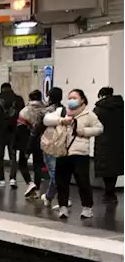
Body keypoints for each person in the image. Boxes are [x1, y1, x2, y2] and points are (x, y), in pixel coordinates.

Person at [44, 88, 103, 219]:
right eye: (69, 98)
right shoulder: (62, 111)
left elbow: (99, 129)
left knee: (82, 181)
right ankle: (63, 206)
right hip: (63, 151)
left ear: (82, 99)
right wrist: (61, 121)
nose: (71, 100)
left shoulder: (89, 115)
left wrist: (84, 131)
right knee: (61, 181)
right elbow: (46, 120)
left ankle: (87, 208)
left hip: (80, 153)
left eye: (74, 98)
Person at [93, 86, 125, 204]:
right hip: (119, 142)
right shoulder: (122, 107)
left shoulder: (99, 109)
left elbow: (92, 123)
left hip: (103, 141)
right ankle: (110, 193)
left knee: (106, 168)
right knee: (114, 167)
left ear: (102, 96)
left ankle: (109, 193)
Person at [15, 90, 47, 196]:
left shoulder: (24, 111)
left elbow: (20, 128)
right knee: (37, 164)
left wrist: (18, 143)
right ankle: (37, 187)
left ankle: (29, 183)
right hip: (41, 140)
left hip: (27, 141)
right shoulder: (45, 109)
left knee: (22, 163)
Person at [0, 82, 23, 187]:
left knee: (0, 157)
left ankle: (1, 179)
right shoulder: (19, 99)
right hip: (14, 131)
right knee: (13, 156)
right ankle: (13, 179)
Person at [39, 87, 65, 203]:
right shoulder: (65, 110)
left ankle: (64, 198)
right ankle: (49, 196)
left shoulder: (47, 112)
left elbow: (38, 127)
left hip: (49, 144)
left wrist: (30, 143)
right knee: (57, 172)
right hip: (62, 144)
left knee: (54, 173)